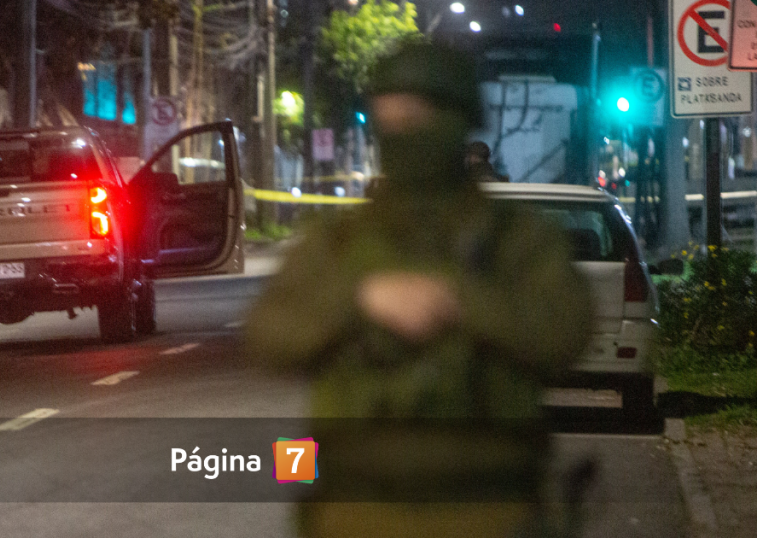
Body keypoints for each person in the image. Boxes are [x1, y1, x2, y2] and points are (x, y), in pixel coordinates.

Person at [245, 41, 593, 538]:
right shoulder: (338, 242)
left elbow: (565, 334)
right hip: (357, 511)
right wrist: (360, 300)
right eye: (389, 117)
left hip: (489, 509)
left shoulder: (515, 236)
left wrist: (458, 300)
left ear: (458, 120)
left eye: (416, 116)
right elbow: (268, 337)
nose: (402, 132)